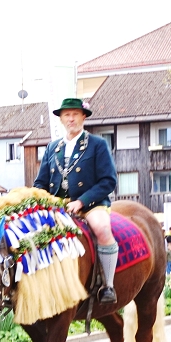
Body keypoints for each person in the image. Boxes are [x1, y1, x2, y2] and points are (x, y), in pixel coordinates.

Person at [34, 98, 119, 304]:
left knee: (102, 229)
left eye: (75, 114)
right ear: (61, 119)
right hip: (57, 207)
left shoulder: (97, 144)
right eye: (67, 115)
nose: (71, 119)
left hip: (90, 204)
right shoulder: (52, 148)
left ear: (83, 117)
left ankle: (107, 285)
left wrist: (81, 202)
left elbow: (108, 181)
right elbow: (40, 183)